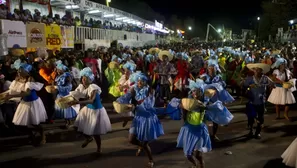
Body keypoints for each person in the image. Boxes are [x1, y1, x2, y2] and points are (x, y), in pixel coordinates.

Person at [176, 78, 233, 168]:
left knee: (198, 155)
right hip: (189, 129)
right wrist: (182, 106)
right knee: (188, 154)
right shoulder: (189, 101)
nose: (194, 93)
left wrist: (205, 106)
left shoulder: (203, 102)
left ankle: (201, 165)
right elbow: (183, 108)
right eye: (193, 91)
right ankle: (195, 164)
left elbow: (212, 95)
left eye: (196, 91)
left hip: (200, 130)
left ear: (200, 92)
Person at [116, 72, 164, 167]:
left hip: (148, 118)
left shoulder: (150, 90)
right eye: (138, 80)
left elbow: (149, 105)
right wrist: (119, 102)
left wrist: (134, 106)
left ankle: (151, 160)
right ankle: (140, 146)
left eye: (141, 80)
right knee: (131, 139)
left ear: (145, 82)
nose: (139, 82)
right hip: (138, 117)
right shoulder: (133, 89)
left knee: (145, 143)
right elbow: (125, 97)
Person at [70, 67, 112, 153]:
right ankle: (88, 138)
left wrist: (77, 102)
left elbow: (91, 100)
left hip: (96, 111)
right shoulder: (82, 87)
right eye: (82, 78)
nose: (83, 80)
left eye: (86, 78)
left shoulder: (93, 87)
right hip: (87, 109)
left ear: (90, 79)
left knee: (95, 132)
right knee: (77, 126)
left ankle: (99, 148)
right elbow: (76, 94)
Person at [6, 60, 47, 144]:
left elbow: (27, 92)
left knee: (35, 123)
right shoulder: (19, 78)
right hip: (24, 102)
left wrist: (12, 96)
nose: (18, 72)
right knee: (23, 123)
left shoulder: (30, 79)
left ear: (26, 71)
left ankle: (43, 135)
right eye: (18, 70)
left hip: (33, 103)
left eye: (20, 70)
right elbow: (14, 90)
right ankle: (31, 135)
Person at [243, 63, 274, 139]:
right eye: (255, 70)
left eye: (258, 70)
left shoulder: (265, 78)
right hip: (251, 100)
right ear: (253, 71)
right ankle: (250, 131)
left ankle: (258, 132)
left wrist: (267, 85)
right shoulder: (250, 79)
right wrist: (249, 87)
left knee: (260, 117)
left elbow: (273, 84)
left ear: (261, 71)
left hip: (261, 101)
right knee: (251, 117)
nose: (256, 71)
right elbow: (244, 87)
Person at [54, 61, 77, 127]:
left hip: (66, 95)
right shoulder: (58, 76)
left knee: (67, 110)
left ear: (62, 69)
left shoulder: (67, 76)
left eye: (59, 69)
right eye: (57, 69)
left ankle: (70, 122)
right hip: (60, 95)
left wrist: (58, 87)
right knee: (63, 109)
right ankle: (67, 122)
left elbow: (69, 87)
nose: (57, 70)